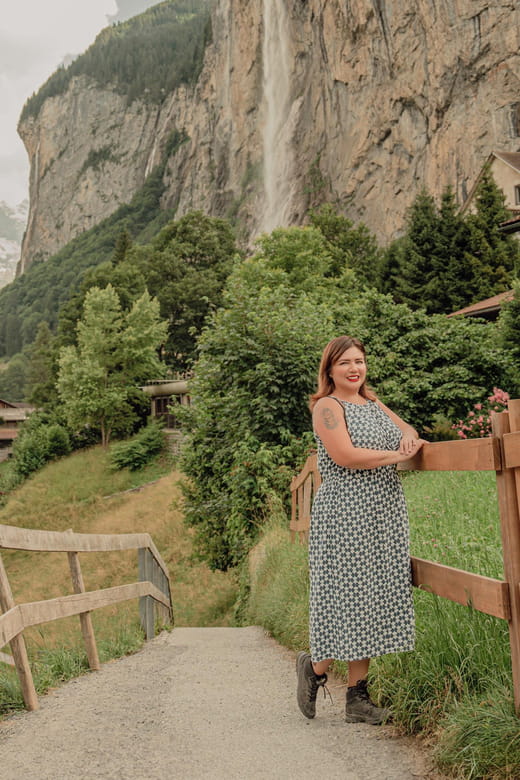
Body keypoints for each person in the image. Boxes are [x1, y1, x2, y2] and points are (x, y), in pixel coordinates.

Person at [296, 335, 426, 725]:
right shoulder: (327, 408)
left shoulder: (372, 403)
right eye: (346, 363)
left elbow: (409, 431)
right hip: (345, 514)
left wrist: (408, 438)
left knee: (371, 598)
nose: (355, 368)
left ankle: (357, 697)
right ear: (330, 370)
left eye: (360, 361)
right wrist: (397, 455)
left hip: (383, 512)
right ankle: (315, 669)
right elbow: (345, 455)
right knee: (348, 596)